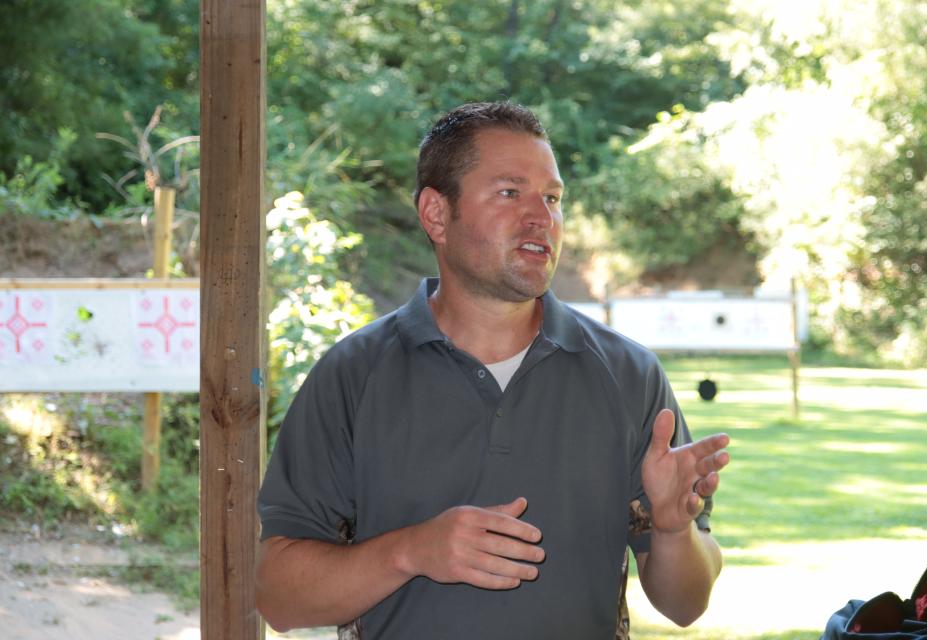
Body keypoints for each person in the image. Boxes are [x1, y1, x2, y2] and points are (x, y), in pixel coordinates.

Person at [255, 102, 730, 639]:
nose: (541, 217)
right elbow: (279, 596)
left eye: (552, 198)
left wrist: (672, 530)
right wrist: (412, 551)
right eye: (510, 192)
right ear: (436, 214)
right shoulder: (353, 374)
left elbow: (686, 605)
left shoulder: (629, 374)